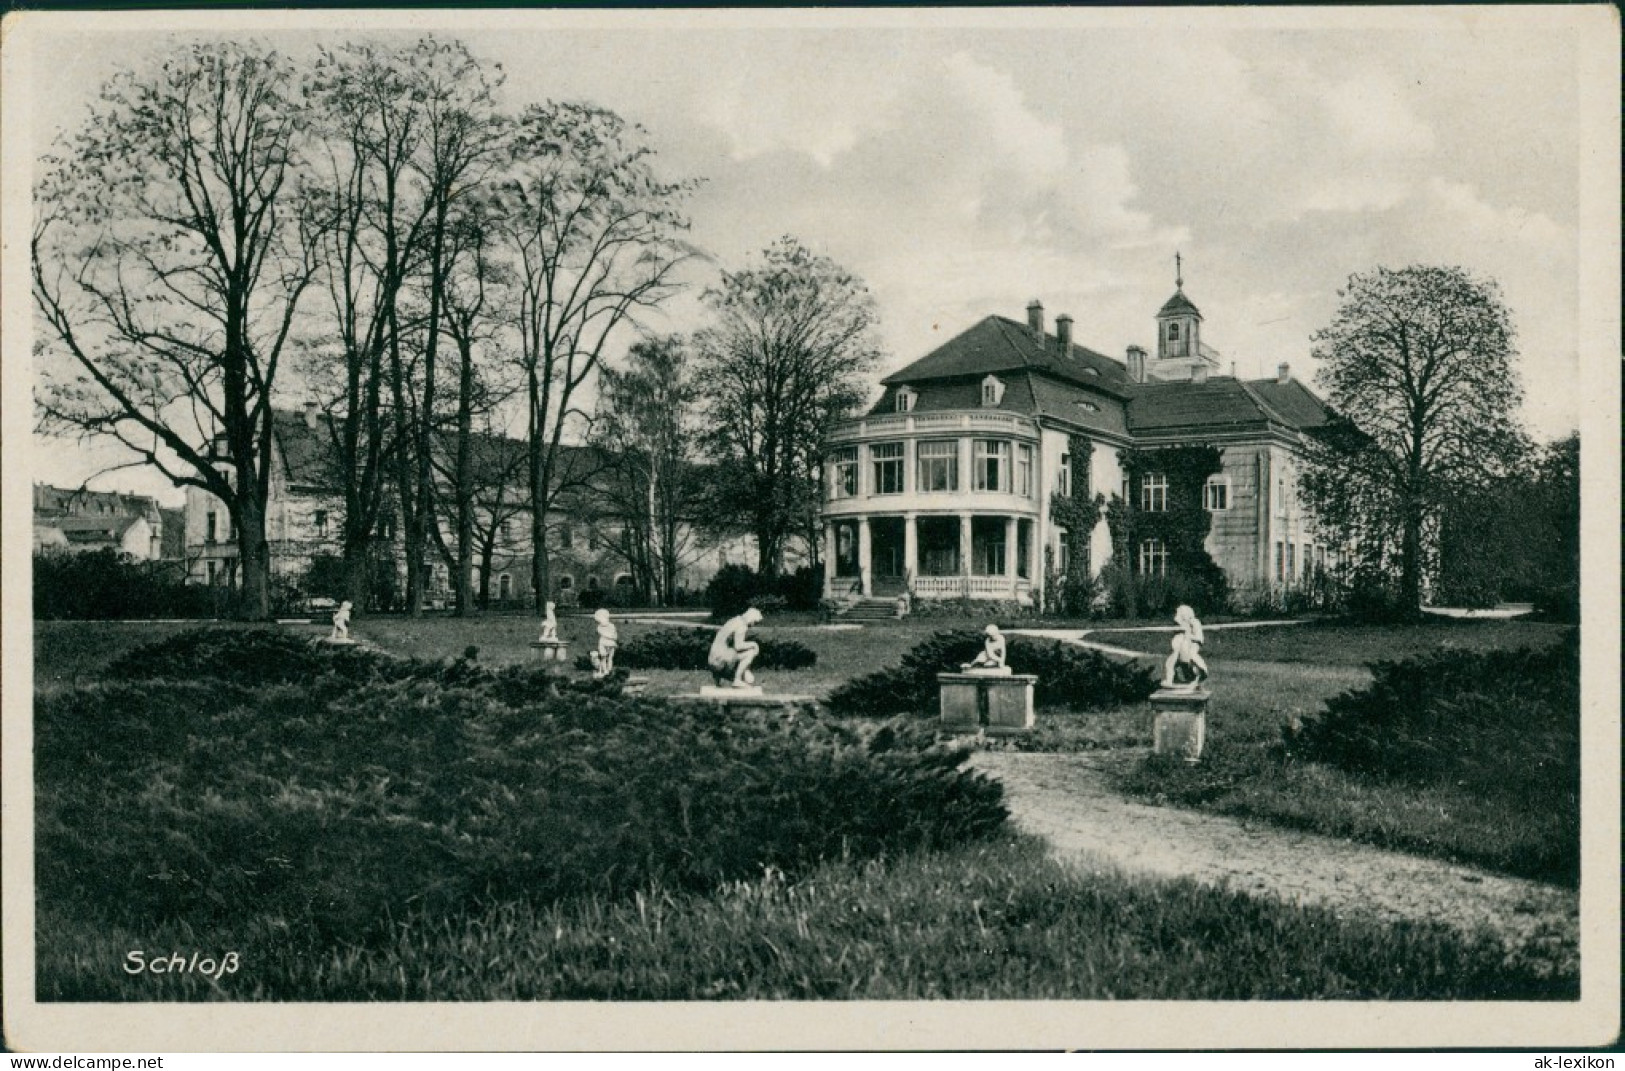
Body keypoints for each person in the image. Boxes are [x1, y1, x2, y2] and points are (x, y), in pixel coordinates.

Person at [708, 607, 764, 688]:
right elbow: (738, 646)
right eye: (755, 622)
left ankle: (718, 680)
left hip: (712, 660)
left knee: (730, 652)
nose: (753, 625)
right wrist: (754, 644)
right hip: (721, 660)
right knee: (750, 653)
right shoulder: (742, 626)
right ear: (751, 619)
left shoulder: (735, 620)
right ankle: (737, 680)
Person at [1162, 604, 1209, 688]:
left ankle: (1200, 673)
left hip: (1193, 645)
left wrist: (1188, 635)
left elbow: (1199, 638)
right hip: (1181, 647)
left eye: (1179, 613)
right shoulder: (1181, 623)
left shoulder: (1195, 622)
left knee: (1191, 657)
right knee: (1171, 662)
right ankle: (1172, 680)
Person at [589, 608, 618, 678]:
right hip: (609, 643)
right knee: (606, 658)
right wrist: (612, 637)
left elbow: (611, 635)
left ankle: (607, 671)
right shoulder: (608, 626)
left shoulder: (602, 627)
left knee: (607, 658)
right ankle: (606, 671)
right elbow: (614, 636)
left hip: (605, 643)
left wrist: (611, 637)